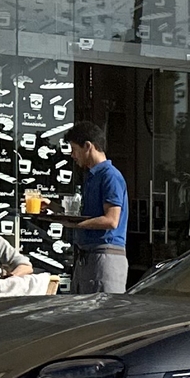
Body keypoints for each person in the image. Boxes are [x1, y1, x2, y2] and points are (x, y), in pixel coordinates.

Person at [65, 121, 129, 295]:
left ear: (87, 146)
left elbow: (111, 220)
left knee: (103, 314)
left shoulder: (110, 176)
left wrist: (77, 225)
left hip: (105, 257)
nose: (72, 155)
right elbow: (85, 213)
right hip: (87, 257)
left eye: (74, 149)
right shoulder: (91, 176)